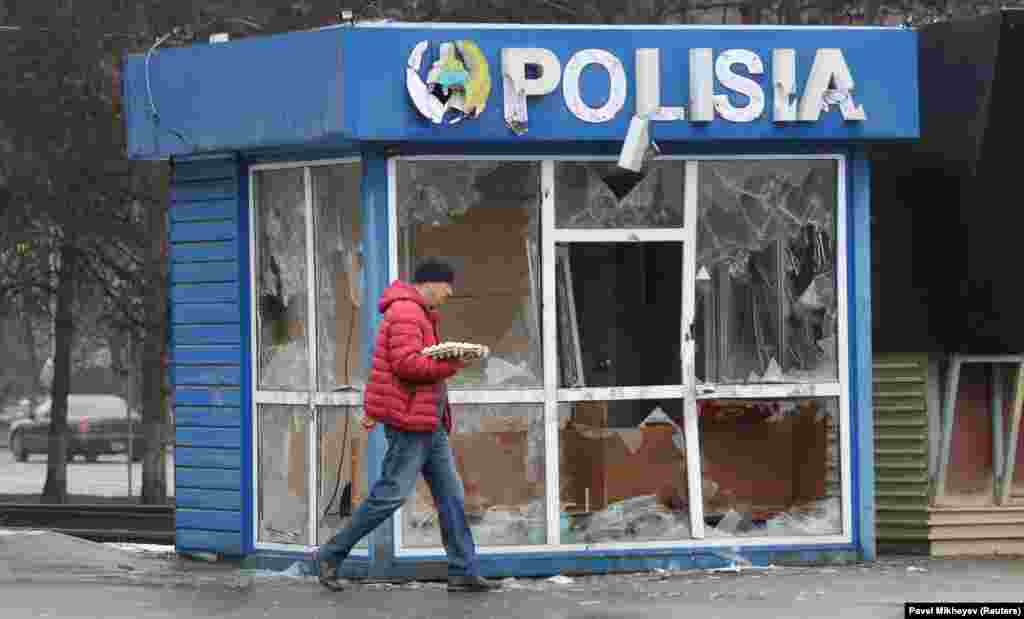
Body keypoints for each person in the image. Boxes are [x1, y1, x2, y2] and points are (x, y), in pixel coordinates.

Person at [316, 259, 502, 594]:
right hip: (411, 425)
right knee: (391, 495)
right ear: (431, 283)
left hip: (429, 423)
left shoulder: (419, 313)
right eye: (448, 285)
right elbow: (406, 365)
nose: (450, 292)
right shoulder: (406, 312)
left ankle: (463, 570)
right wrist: (452, 365)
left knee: (452, 497)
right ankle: (330, 554)